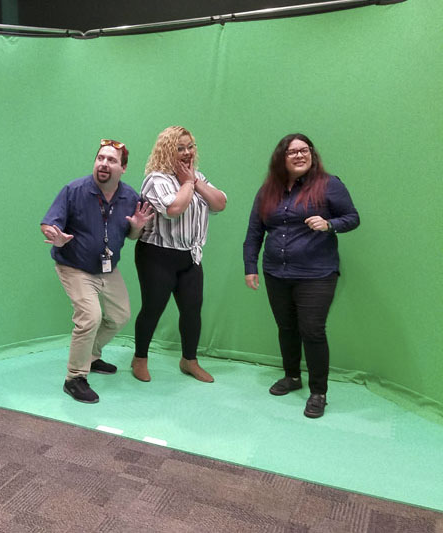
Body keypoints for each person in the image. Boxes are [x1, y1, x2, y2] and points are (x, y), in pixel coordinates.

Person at [243, 133, 359, 419]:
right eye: (292, 151)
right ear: (282, 158)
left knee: (313, 330)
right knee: (286, 327)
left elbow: (353, 218)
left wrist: (329, 223)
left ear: (312, 154)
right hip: (276, 272)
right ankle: (292, 377)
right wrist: (250, 267)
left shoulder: (329, 185)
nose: (299, 155)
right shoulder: (268, 190)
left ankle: (319, 392)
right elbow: (254, 232)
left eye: (304, 150)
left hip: (317, 274)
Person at [41, 139, 153, 404]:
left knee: (119, 315)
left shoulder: (130, 198)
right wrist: (54, 236)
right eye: (100, 158)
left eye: (111, 160)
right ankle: (75, 378)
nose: (104, 163)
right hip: (74, 266)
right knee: (90, 316)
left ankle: (90, 356)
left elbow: (133, 235)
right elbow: (49, 224)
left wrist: (137, 226)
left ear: (123, 168)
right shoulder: (74, 190)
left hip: (106, 268)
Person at [132, 126, 227, 383]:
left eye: (190, 147)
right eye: (180, 148)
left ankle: (189, 360)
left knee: (192, 310)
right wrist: (187, 183)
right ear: (166, 151)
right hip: (157, 255)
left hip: (190, 256)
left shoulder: (198, 177)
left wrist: (194, 182)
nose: (187, 153)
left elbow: (220, 203)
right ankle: (139, 358)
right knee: (153, 309)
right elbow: (174, 208)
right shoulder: (156, 179)